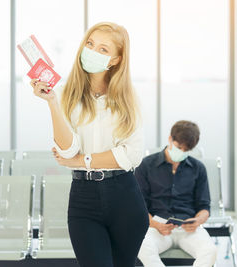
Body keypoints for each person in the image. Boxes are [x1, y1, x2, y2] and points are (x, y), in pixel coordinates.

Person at [29, 22, 149, 267]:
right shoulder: (65, 94)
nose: (92, 51)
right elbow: (67, 150)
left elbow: (132, 155)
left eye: (103, 49)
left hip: (125, 197)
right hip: (84, 200)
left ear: (116, 60)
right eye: (90, 44)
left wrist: (81, 161)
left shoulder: (129, 98)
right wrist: (52, 101)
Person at [135, 120, 218, 267]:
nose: (182, 153)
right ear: (170, 139)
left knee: (209, 251)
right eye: (179, 147)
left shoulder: (198, 168)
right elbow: (139, 207)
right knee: (141, 246)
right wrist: (154, 224)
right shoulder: (146, 165)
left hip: (188, 227)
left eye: (187, 150)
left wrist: (197, 221)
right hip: (157, 226)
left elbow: (204, 207)